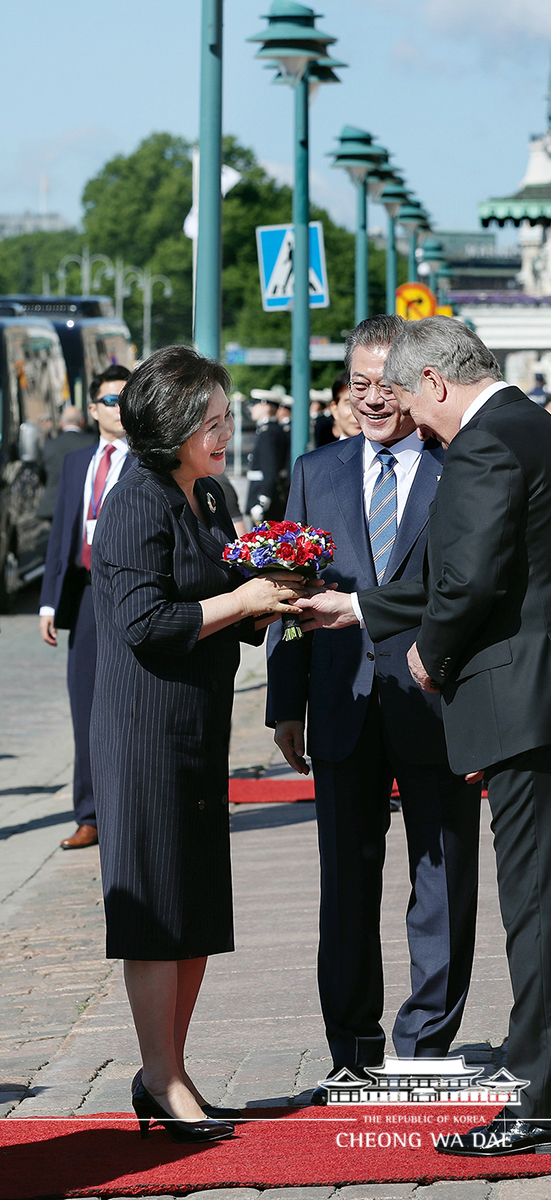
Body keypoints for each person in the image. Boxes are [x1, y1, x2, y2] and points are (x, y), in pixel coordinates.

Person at [295, 316, 551, 1156]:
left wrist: (428, 655)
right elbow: (487, 566)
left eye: (410, 399)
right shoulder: (539, 430)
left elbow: (471, 577)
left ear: (438, 384)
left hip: (531, 707)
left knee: (543, 918)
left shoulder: (484, 443)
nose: (411, 418)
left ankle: (541, 1114)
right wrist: (364, 607)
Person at [89, 345, 305, 1143]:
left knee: (197, 907)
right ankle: (164, 1078)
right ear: (174, 425)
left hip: (197, 724)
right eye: (212, 422)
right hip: (146, 730)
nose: (226, 433)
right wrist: (243, 598)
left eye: (225, 419)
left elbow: (220, 597)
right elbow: (144, 622)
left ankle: (168, 1070)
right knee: (157, 909)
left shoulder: (207, 496)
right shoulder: (137, 501)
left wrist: (275, 597)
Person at [266, 315, 481, 1102]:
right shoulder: (316, 470)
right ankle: (351, 1046)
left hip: (436, 701)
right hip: (342, 700)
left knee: (445, 875)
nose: (373, 399)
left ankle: (424, 1043)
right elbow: (289, 589)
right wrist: (285, 704)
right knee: (346, 883)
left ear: (418, 383)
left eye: (388, 383)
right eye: (359, 384)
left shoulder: (456, 464)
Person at [39, 365, 133, 850]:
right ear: (93, 408)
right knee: (86, 707)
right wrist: (49, 603)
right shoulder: (79, 461)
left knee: (131, 708)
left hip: (134, 593)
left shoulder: (148, 460)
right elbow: (62, 536)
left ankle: (129, 809)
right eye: (109, 401)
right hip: (87, 593)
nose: (118, 409)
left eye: (126, 398)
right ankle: (89, 814)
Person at [37, 404, 97, 520]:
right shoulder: (92, 442)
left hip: (53, 505)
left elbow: (42, 474)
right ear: (82, 421)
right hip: (83, 505)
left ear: (61, 422)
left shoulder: (49, 445)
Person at [245, 392, 289, 523]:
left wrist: (262, 501)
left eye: (255, 404)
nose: (251, 408)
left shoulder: (268, 433)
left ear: (266, 407)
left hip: (264, 499)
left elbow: (270, 471)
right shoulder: (270, 430)